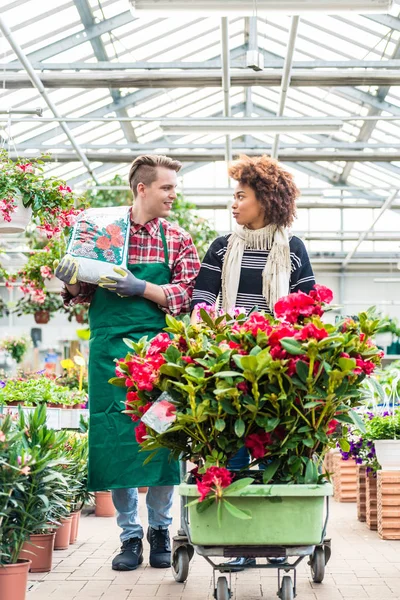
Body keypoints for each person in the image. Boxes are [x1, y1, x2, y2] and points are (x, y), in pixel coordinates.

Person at [56, 155, 201, 572]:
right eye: (167, 187)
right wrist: (70, 275)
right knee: (116, 437)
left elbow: (188, 295)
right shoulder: (103, 232)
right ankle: (129, 535)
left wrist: (143, 287)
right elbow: (81, 292)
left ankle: (160, 529)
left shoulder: (177, 238)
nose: (174, 194)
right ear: (142, 189)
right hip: (108, 355)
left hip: (162, 354)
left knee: (163, 434)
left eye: (174, 187)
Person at [191, 154, 315, 570]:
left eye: (240, 195)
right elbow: (203, 297)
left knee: (275, 444)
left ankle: (276, 535)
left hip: (276, 364)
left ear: (264, 199)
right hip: (228, 361)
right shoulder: (223, 247)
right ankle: (239, 541)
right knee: (234, 445)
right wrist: (204, 322)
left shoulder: (293, 249)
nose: (234, 202)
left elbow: (307, 306)